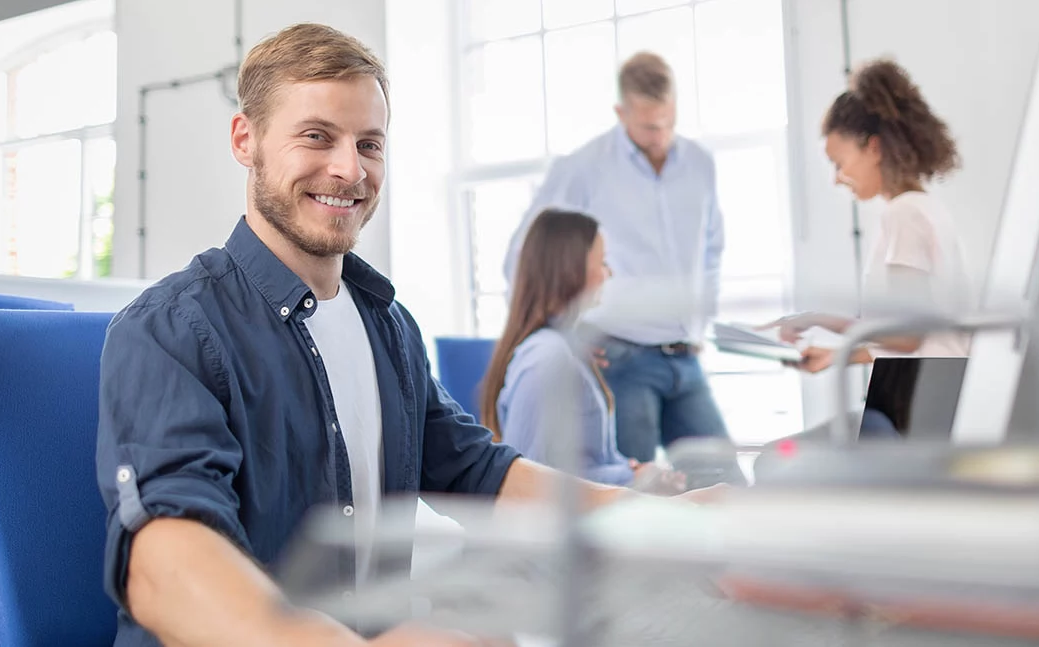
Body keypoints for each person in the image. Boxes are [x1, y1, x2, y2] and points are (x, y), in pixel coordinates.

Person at [95, 24, 721, 647]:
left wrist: (654, 519)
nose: (349, 168)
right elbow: (164, 563)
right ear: (245, 138)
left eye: (370, 144)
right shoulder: (170, 327)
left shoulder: (386, 325)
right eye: (317, 136)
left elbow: (479, 472)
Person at [502, 51, 730, 465]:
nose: (659, 135)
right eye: (647, 126)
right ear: (620, 112)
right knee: (630, 496)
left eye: (667, 122)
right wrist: (563, 334)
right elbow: (526, 253)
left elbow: (712, 248)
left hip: (687, 355)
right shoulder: (584, 167)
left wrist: (704, 316)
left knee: (724, 482)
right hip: (622, 359)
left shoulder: (700, 164)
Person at [760, 58, 972, 373]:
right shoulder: (923, 208)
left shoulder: (905, 214)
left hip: (920, 393)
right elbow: (913, 341)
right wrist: (836, 356)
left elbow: (906, 336)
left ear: (873, 148)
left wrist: (817, 318)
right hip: (933, 386)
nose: (837, 178)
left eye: (839, 162)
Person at [480, 208, 662, 487]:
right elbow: (534, 481)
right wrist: (632, 477)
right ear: (571, 267)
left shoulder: (566, 348)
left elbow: (584, 460)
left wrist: (628, 469)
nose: (609, 273)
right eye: (602, 262)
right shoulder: (548, 357)